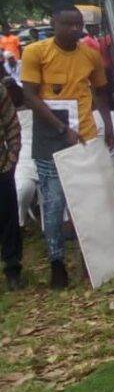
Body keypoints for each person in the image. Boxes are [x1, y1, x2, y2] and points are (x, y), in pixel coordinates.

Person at [20, 3, 114, 289]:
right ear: (53, 24)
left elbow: (100, 92)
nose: (74, 29)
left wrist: (108, 126)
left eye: (78, 24)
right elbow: (29, 97)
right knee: (53, 201)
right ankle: (57, 261)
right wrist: (62, 128)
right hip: (52, 135)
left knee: (88, 198)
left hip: (84, 134)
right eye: (67, 24)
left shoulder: (90, 53)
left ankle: (93, 258)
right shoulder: (36, 52)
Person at [0, 83, 23, 290]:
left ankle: (13, 269)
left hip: (1, 167)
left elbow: (12, 123)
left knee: (8, 220)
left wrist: (12, 157)